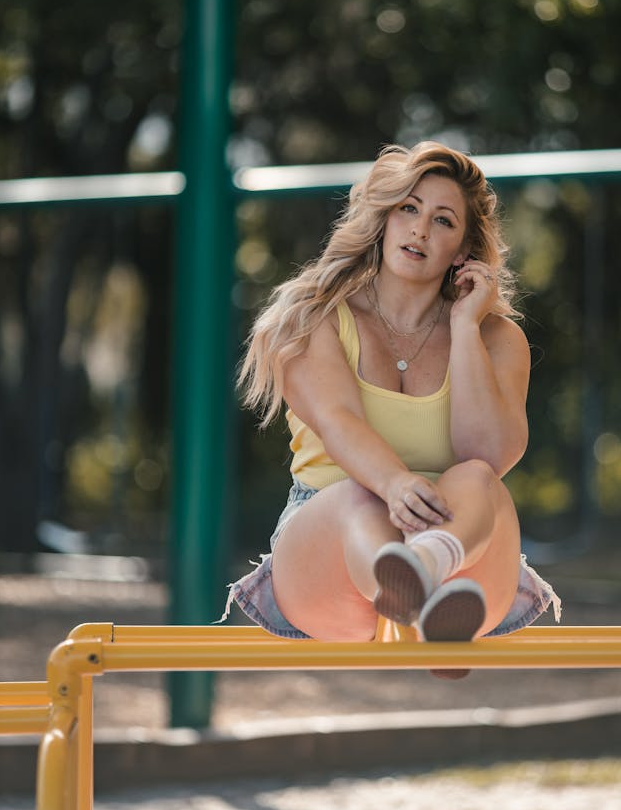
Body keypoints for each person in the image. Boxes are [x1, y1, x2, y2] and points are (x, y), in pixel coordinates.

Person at [221, 141, 560, 675]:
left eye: (443, 220)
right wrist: (398, 486)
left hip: (460, 547)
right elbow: (339, 423)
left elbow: (490, 452)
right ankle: (415, 592)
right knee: (363, 498)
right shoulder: (313, 318)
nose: (421, 229)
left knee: (475, 477)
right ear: (382, 219)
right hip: (334, 543)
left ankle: (425, 575)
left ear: (464, 249)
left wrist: (465, 326)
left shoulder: (497, 338)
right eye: (408, 208)